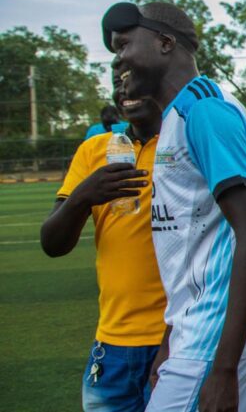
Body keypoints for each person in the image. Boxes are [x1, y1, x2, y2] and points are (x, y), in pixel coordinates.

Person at [102, 0, 246, 411]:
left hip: (213, 339)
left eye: (125, 45)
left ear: (165, 43)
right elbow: (191, 248)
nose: (119, 61)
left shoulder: (203, 110)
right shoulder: (176, 116)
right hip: (198, 332)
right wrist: (172, 336)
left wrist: (222, 368)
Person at [41, 66, 165, 411]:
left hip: (180, 341)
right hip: (112, 344)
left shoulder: (188, 142)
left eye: (132, 77)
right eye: (117, 83)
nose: (124, 89)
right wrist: (83, 196)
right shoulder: (94, 150)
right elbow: (52, 243)